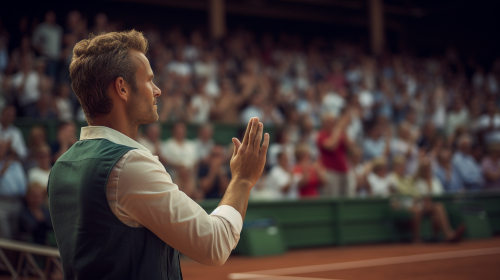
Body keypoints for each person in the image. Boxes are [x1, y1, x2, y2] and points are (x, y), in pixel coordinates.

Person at [48, 30, 269, 279]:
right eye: (149, 80)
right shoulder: (128, 163)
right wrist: (242, 180)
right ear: (122, 88)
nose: (157, 90)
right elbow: (214, 244)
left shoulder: (61, 166)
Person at [412, 159, 465, 242]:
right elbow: (419, 199)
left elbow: (440, 195)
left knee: (437, 210)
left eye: (428, 167)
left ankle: (445, 236)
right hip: (422, 208)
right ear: (421, 169)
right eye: (425, 168)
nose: (427, 170)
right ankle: (449, 233)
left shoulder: (435, 181)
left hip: (433, 208)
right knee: (438, 207)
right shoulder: (418, 182)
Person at [317, 113, 356, 196]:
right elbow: (331, 147)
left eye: (334, 122)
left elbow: (351, 147)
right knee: (332, 197)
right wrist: (338, 128)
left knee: (347, 197)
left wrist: (344, 129)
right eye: (329, 122)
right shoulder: (321, 135)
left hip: (344, 171)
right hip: (331, 172)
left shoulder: (339, 134)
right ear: (324, 123)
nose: (332, 124)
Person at [0, 138, 27, 239]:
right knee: (5, 237)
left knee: (17, 236)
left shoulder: (16, 164)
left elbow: (22, 186)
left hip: (17, 202)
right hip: (2, 203)